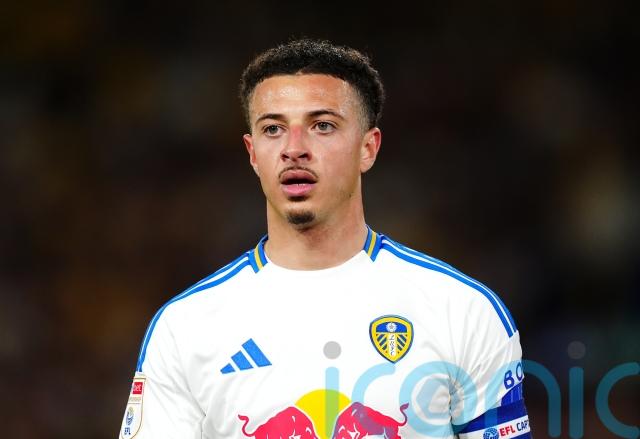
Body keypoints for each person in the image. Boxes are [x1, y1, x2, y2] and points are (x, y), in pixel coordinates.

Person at [118, 39, 531, 439]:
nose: (294, 149)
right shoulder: (185, 327)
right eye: (273, 129)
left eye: (322, 126)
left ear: (368, 148)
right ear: (252, 152)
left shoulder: (461, 311)